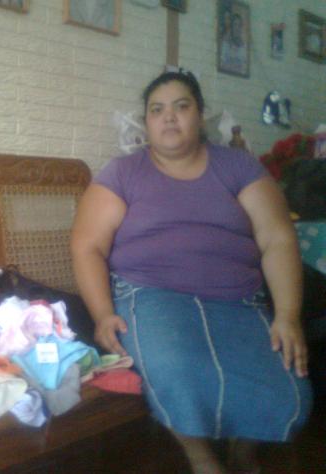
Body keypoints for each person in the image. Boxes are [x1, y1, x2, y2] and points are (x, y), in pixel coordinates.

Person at [70, 71, 313, 474]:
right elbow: (87, 247)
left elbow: (278, 238)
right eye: (157, 110)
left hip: (238, 299)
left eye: (181, 106)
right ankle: (202, 459)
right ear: (146, 122)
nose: (169, 117)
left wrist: (287, 316)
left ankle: (243, 453)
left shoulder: (239, 167)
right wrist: (102, 315)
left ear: (200, 115)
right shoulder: (123, 172)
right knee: (175, 371)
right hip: (150, 294)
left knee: (290, 389)